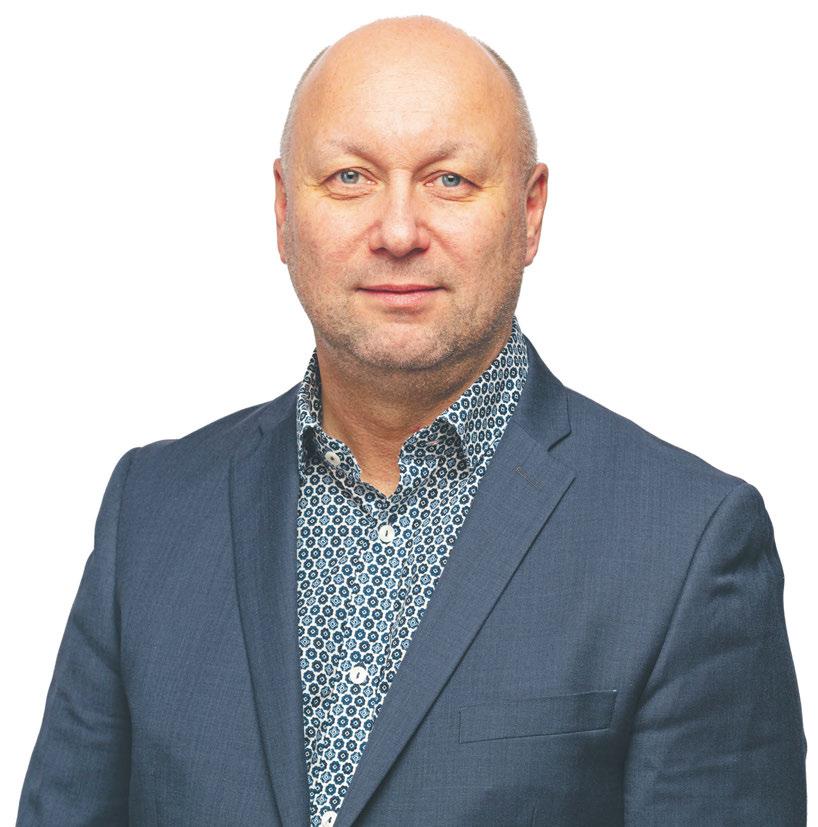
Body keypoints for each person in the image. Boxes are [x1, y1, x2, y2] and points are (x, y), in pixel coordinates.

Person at [17, 14, 806, 827]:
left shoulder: (686, 542)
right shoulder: (151, 511)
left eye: (450, 180)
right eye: (350, 177)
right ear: (283, 209)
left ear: (530, 212)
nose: (398, 231)